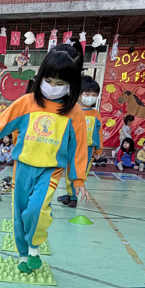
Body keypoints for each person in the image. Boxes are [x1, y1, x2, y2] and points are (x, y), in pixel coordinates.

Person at [0, 49, 91, 273]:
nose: (52, 86)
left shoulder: (74, 112)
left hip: (50, 171)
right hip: (23, 167)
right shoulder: (27, 103)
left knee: (36, 210)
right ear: (40, 77)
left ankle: (34, 246)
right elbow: (1, 124)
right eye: (48, 80)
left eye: (59, 83)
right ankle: (23, 254)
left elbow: (78, 147)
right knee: (19, 213)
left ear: (71, 84)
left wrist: (78, 179)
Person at [58, 74, 101, 208]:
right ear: (79, 94)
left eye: (94, 94)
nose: (91, 97)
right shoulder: (72, 111)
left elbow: (99, 133)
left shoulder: (95, 114)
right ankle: (70, 194)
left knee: (79, 172)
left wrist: (98, 150)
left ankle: (73, 197)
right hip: (71, 147)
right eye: (87, 94)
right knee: (69, 171)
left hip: (87, 148)